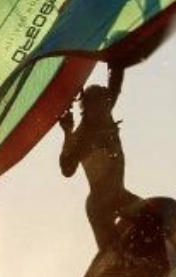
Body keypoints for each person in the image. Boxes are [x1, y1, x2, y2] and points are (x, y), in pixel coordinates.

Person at [59, 67, 142, 251]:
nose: (105, 111)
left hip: (120, 196)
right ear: (88, 110)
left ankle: (144, 257)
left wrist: (117, 57)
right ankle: (116, 267)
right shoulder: (84, 136)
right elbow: (67, 170)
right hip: (99, 207)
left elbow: (116, 80)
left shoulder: (105, 113)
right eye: (99, 108)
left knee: (153, 218)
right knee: (113, 252)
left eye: (106, 106)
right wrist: (67, 133)